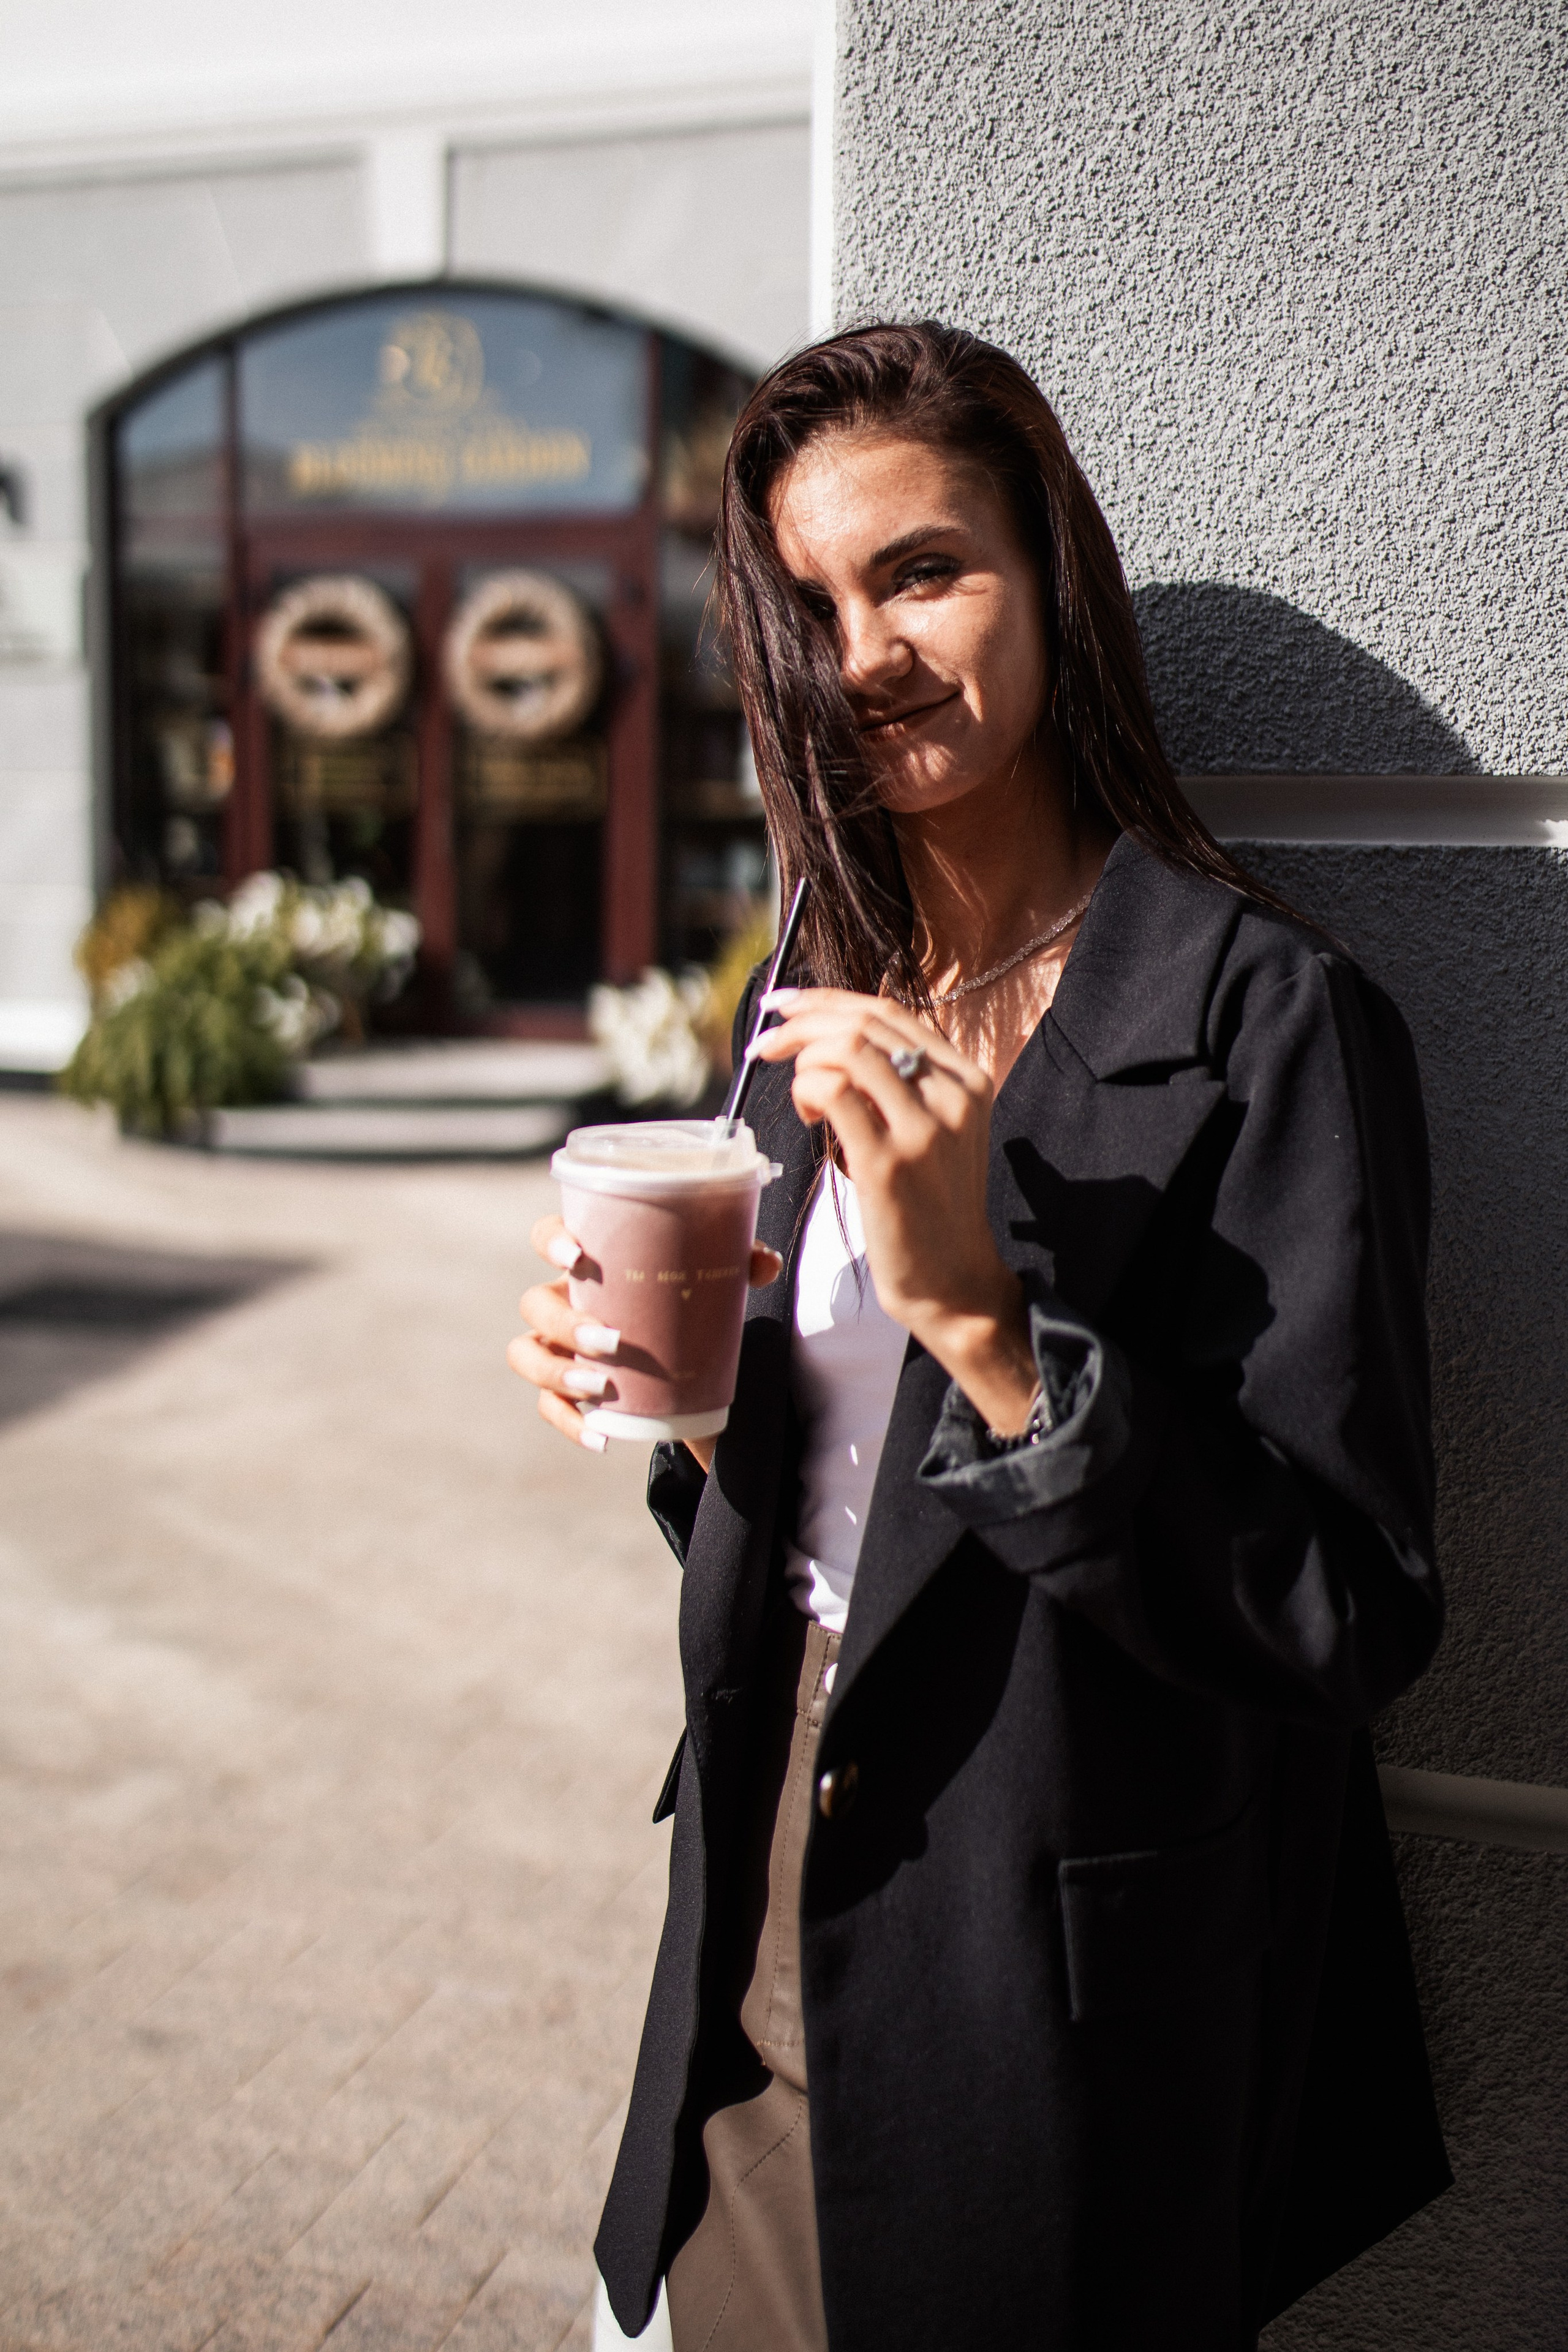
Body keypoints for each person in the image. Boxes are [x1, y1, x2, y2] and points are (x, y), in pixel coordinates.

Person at [510, 323, 1449, 2352]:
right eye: (816, 603)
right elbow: (823, 1500)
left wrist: (985, 1326)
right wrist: (666, 1408)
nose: (867, 654)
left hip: (1064, 1954)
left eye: (925, 571)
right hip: (761, 1913)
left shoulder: (1270, 1022)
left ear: (1054, 578)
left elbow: (1351, 1617)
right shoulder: (803, 993)